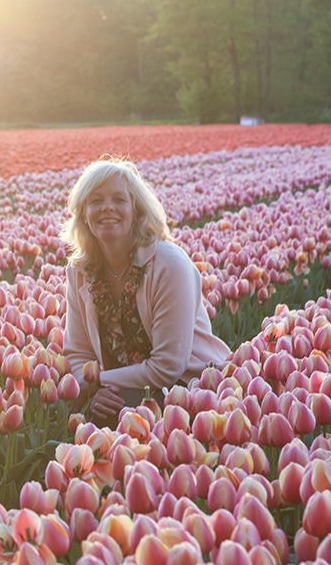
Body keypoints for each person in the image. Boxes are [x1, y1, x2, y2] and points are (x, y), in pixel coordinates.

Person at [61, 158, 230, 421]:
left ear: (136, 211)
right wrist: (92, 390)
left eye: (119, 200)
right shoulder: (80, 271)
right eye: (95, 201)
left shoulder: (168, 265)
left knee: (107, 418)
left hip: (189, 389)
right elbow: (78, 352)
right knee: (83, 412)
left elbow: (168, 366)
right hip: (121, 390)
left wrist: (99, 382)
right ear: (83, 213)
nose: (107, 208)